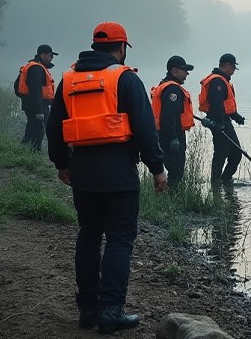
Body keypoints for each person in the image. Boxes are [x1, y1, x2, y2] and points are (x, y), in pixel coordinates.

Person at [46, 22, 167, 334]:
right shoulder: (124, 78)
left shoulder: (68, 79)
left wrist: (61, 162)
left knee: (88, 234)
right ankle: (111, 311)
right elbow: (144, 128)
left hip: (82, 172)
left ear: (94, 45)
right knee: (119, 239)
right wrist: (157, 169)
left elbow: (54, 126)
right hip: (118, 174)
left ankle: (88, 309)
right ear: (122, 47)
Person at [198, 53, 245, 183]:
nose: (234, 70)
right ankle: (216, 183)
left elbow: (225, 105)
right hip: (220, 122)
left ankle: (224, 180)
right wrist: (220, 124)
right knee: (221, 153)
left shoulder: (222, 80)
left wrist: (237, 117)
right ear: (227, 65)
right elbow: (216, 103)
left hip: (224, 120)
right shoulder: (218, 81)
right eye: (233, 67)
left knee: (234, 153)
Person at [150, 55, 195, 189]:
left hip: (161, 134)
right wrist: (173, 138)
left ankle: (163, 197)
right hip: (170, 135)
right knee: (177, 171)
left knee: (172, 169)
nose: (187, 74)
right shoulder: (172, 89)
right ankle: (171, 199)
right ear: (174, 71)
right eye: (184, 70)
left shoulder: (164, 85)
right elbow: (169, 115)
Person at [15, 44, 57, 151]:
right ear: (42, 55)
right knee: (38, 131)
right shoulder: (36, 68)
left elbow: (17, 88)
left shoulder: (32, 66)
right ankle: (33, 153)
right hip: (37, 105)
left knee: (32, 128)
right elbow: (35, 90)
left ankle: (24, 150)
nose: (51, 58)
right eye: (50, 55)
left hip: (32, 104)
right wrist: (39, 111)